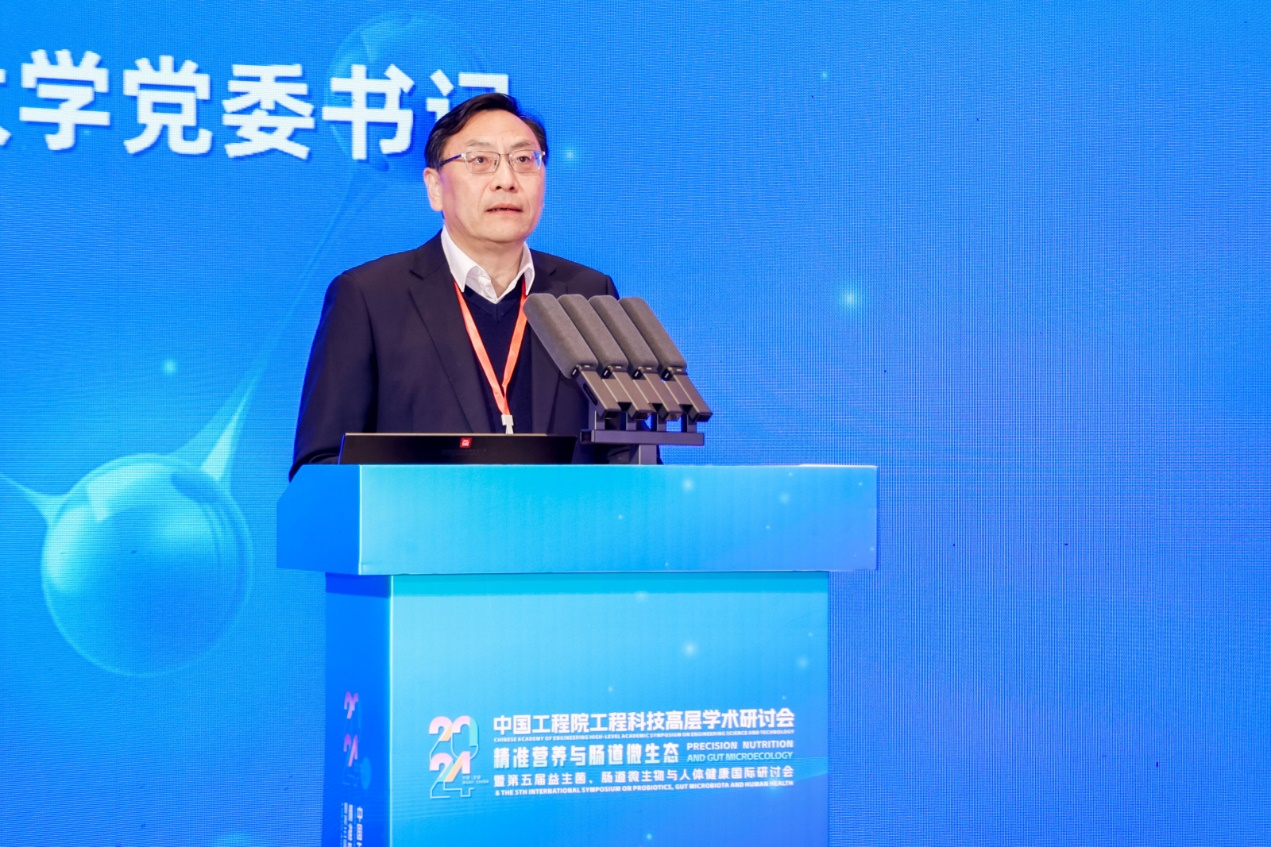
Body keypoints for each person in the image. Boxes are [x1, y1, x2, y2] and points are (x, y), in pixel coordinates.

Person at [291, 93, 618, 479]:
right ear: (434, 187)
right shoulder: (370, 297)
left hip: (564, 518)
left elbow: (626, 453)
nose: (506, 181)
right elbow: (320, 465)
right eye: (480, 161)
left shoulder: (587, 295)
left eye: (524, 160)